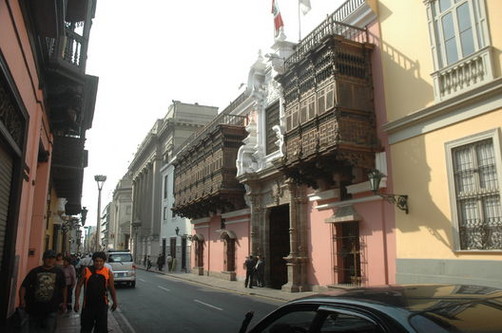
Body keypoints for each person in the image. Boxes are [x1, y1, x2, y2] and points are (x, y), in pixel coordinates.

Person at [18, 249, 67, 333]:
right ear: (43, 259)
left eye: (52, 258)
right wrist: (22, 300)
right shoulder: (34, 272)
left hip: (51, 308)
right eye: (48, 258)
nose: (50, 260)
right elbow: (24, 286)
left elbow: (64, 288)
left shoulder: (59, 272)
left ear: (55, 260)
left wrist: (64, 302)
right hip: (34, 309)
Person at [74, 251, 118, 333]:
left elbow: (112, 288)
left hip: (102, 306)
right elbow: (79, 285)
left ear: (104, 262)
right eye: (96, 261)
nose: (98, 263)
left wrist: (115, 301)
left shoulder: (108, 272)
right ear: (93, 261)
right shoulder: (86, 271)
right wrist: (76, 302)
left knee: (101, 329)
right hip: (88, 306)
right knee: (85, 328)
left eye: (101, 261)